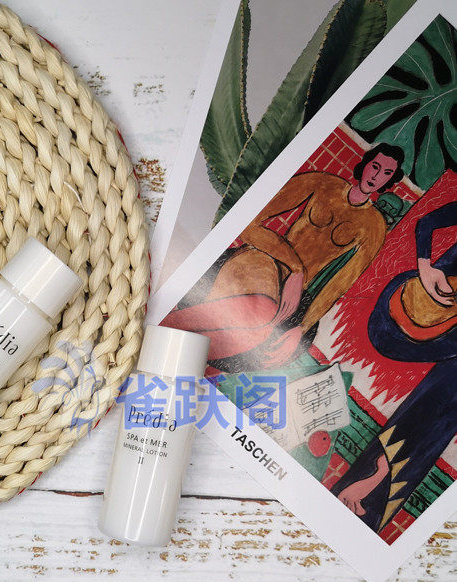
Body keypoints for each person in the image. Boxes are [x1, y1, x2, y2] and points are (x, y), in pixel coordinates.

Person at [163, 143, 404, 371]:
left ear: (390, 181)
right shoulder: (323, 183)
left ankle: (166, 345)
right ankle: (168, 338)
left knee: (263, 336)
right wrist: (295, 268)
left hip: (293, 295)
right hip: (264, 260)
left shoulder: (374, 226)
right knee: (262, 313)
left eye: (386, 173)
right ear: (365, 164)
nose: (376, 176)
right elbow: (250, 224)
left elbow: (338, 285)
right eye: (375, 166)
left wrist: (302, 327)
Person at [332, 200, 456, 531]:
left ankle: (370, 495)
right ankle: (369, 484)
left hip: (447, 340)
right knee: (432, 413)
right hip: (428, 313)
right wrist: (426, 266)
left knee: (439, 420)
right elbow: (427, 222)